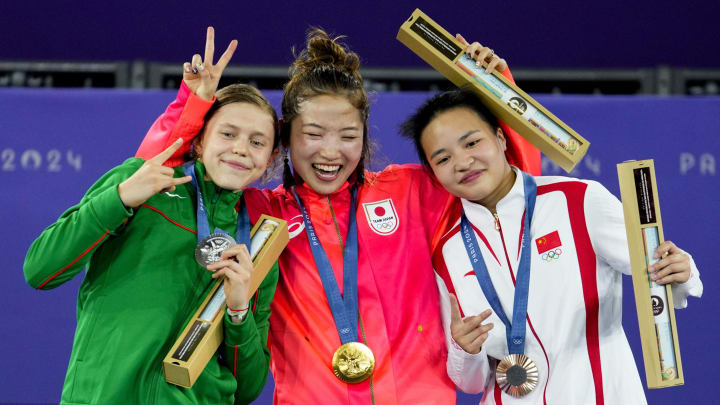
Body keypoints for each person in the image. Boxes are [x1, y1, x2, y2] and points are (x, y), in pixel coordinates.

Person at [136, 28, 541, 403]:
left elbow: (509, 188)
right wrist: (191, 106)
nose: (331, 152)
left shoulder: (413, 191)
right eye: (313, 135)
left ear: (364, 137)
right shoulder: (261, 215)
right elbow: (154, 178)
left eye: (348, 136)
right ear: (285, 139)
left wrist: (499, 91)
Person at [398, 88, 703, 404]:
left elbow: (655, 265)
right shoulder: (446, 253)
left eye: (472, 142)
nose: (463, 162)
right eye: (443, 158)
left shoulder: (578, 201)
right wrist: (465, 349)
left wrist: (682, 271)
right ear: (433, 174)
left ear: (502, 139)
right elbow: (472, 383)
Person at [23, 33, 281, 404]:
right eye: (228, 133)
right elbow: (40, 269)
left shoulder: (256, 245)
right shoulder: (140, 183)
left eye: (258, 142)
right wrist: (120, 198)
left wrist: (239, 311)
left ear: (269, 160)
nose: (241, 149)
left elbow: (248, 388)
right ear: (200, 141)